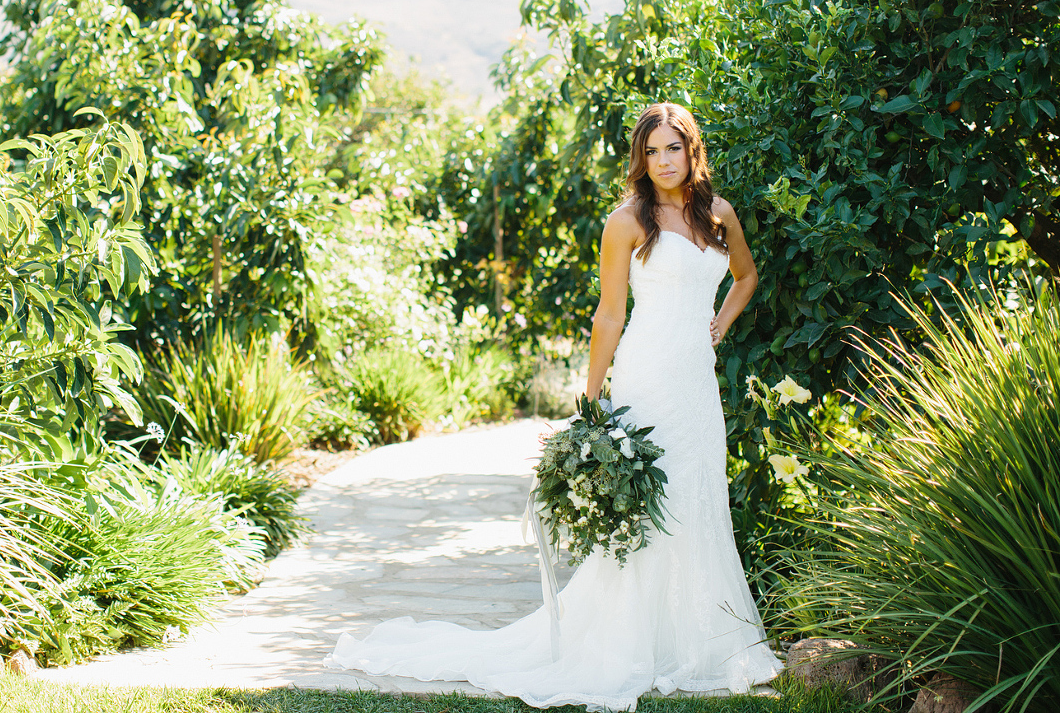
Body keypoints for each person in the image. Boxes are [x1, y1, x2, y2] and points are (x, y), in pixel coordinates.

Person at [326, 103, 782, 711]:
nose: (664, 161)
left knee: (699, 495)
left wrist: (720, 324)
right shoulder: (626, 222)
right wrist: (591, 402)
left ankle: (699, 642)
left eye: (673, 148)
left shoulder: (719, 215)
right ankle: (627, 643)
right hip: (647, 377)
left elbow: (745, 277)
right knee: (648, 511)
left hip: (697, 384)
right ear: (639, 160)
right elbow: (610, 315)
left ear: (691, 150)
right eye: (652, 151)